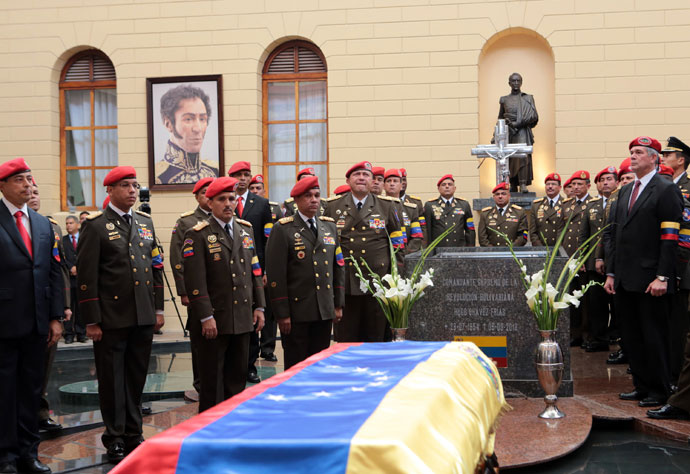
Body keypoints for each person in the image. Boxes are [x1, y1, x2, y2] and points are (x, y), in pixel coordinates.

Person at [77, 166, 165, 463]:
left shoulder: (145, 222)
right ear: (110, 190)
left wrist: (158, 308)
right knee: (113, 380)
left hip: (141, 315)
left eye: (134, 185)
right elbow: (87, 275)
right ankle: (114, 437)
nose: (132, 190)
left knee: (136, 377)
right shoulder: (97, 224)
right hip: (111, 317)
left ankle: (133, 431)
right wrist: (91, 319)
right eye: (125, 185)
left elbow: (155, 268)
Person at [604, 136, 683, 408]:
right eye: (632, 152)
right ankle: (641, 385)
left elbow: (670, 236)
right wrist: (611, 274)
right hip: (625, 278)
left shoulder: (665, 188)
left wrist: (662, 276)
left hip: (651, 278)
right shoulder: (625, 191)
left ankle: (660, 390)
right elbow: (615, 234)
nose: (633, 156)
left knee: (654, 336)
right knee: (632, 336)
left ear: (653, 158)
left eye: (639, 152)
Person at [181, 177, 265, 412]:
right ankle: (209, 433)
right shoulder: (197, 234)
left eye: (232, 198)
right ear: (210, 202)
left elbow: (255, 271)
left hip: (241, 317)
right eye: (222, 199)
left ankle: (232, 427)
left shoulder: (245, 230)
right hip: (215, 320)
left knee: (237, 380)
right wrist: (206, 316)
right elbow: (195, 281)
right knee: (212, 383)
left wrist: (259, 307)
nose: (228, 203)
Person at [0, 157, 63, 474]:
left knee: (30, 391)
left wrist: (56, 317)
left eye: (29, 179)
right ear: (3, 186)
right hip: (4, 322)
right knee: (4, 392)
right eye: (19, 180)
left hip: (38, 323)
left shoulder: (41, 224)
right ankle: (6, 456)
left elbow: (54, 272)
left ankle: (28, 453)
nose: (27, 184)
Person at [265, 176, 345, 369]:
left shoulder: (329, 227)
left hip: (323, 310)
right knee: (297, 366)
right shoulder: (283, 229)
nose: (314, 200)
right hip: (297, 312)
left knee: (319, 365)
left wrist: (338, 304)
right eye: (308, 196)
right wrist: (282, 313)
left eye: (317, 195)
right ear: (297, 200)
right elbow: (276, 276)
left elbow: (338, 266)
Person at [323, 161, 404, 342]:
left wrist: (396, 277)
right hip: (346, 281)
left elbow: (398, 244)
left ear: (372, 181)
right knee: (347, 336)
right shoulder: (332, 207)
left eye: (366, 175)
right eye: (356, 175)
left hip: (377, 281)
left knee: (376, 336)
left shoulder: (387, 206)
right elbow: (327, 244)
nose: (361, 178)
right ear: (348, 180)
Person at [27, 182, 71, 435]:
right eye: (29, 192)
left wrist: (63, 306)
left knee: (44, 364)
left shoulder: (51, 227)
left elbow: (59, 270)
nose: (33, 197)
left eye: (36, 193)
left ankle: (41, 413)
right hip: (17, 308)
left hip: (45, 307)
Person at [227, 161, 272, 381]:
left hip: (254, 268)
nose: (242, 179)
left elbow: (267, 240)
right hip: (230, 270)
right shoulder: (224, 200)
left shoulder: (262, 204)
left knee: (255, 316)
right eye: (238, 175)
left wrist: (264, 270)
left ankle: (250, 366)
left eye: (246, 175)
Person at [169, 176, 214, 398]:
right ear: (196, 196)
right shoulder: (187, 221)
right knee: (199, 338)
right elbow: (177, 259)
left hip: (221, 293)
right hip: (197, 292)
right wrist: (184, 291)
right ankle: (200, 383)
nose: (209, 196)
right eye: (204, 192)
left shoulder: (225, 217)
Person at [561, 171, 605, 351]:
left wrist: (586, 258)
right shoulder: (567, 205)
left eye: (580, 184)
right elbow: (562, 231)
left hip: (586, 259)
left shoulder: (593, 204)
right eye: (573, 185)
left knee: (586, 299)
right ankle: (575, 334)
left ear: (588, 185)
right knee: (572, 298)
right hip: (569, 256)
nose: (576, 187)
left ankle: (588, 334)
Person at [247, 173, 281, 362]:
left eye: (258, 188)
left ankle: (267, 347)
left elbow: (272, 240)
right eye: (252, 188)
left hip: (264, 263)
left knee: (268, 309)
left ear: (264, 190)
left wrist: (268, 269)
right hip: (248, 263)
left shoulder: (273, 208)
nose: (255, 191)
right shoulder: (239, 205)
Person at [155, 84, 218, 185]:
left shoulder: (215, 171)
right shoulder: (159, 176)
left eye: (202, 119)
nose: (197, 128)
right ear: (168, 124)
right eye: (188, 119)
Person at [496, 72, 539, 193]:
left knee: (522, 157)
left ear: (521, 82)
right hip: (508, 131)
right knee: (509, 158)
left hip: (522, 131)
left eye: (518, 81)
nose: (516, 83)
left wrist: (518, 123)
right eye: (513, 81)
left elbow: (533, 116)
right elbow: (500, 118)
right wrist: (495, 135)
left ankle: (523, 183)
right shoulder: (504, 99)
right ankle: (513, 183)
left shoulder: (527, 98)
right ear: (509, 83)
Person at [424, 174, 475, 247]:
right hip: (438, 249)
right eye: (443, 185)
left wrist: (470, 249)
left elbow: (470, 230)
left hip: (459, 248)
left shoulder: (464, 205)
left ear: (454, 188)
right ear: (438, 188)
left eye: (450, 184)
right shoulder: (430, 205)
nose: (447, 186)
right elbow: (427, 231)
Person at [384, 169, 423, 254]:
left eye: (395, 181)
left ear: (401, 185)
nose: (392, 184)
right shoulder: (378, 207)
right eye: (388, 181)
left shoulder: (411, 209)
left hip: (405, 255)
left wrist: (405, 253)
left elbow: (416, 237)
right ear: (384, 186)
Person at [478, 182, 527, 247]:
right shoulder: (485, 214)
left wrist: (510, 249)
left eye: (503, 194)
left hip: (513, 252)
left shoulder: (519, 213)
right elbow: (482, 238)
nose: (500, 196)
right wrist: (493, 251)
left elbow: (523, 236)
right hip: (492, 253)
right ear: (494, 197)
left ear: (509, 196)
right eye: (497, 194)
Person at [63, 215, 85, 344]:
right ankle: (69, 334)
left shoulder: (84, 239)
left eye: (71, 223)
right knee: (68, 307)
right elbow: (60, 256)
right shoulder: (63, 240)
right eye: (66, 223)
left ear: (77, 225)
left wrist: (79, 267)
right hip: (68, 280)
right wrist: (70, 267)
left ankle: (81, 333)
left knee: (81, 307)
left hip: (82, 279)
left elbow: (88, 255)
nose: (68, 226)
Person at [529, 173, 564, 247]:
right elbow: (533, 232)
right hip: (541, 250)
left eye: (553, 184)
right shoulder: (536, 205)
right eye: (548, 184)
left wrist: (558, 248)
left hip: (560, 248)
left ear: (560, 187)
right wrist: (541, 249)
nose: (550, 187)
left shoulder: (565, 204)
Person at [399, 169, 427, 246]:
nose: (403, 182)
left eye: (404, 180)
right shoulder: (384, 202)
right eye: (400, 180)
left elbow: (422, 228)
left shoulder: (416, 202)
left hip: (412, 248)